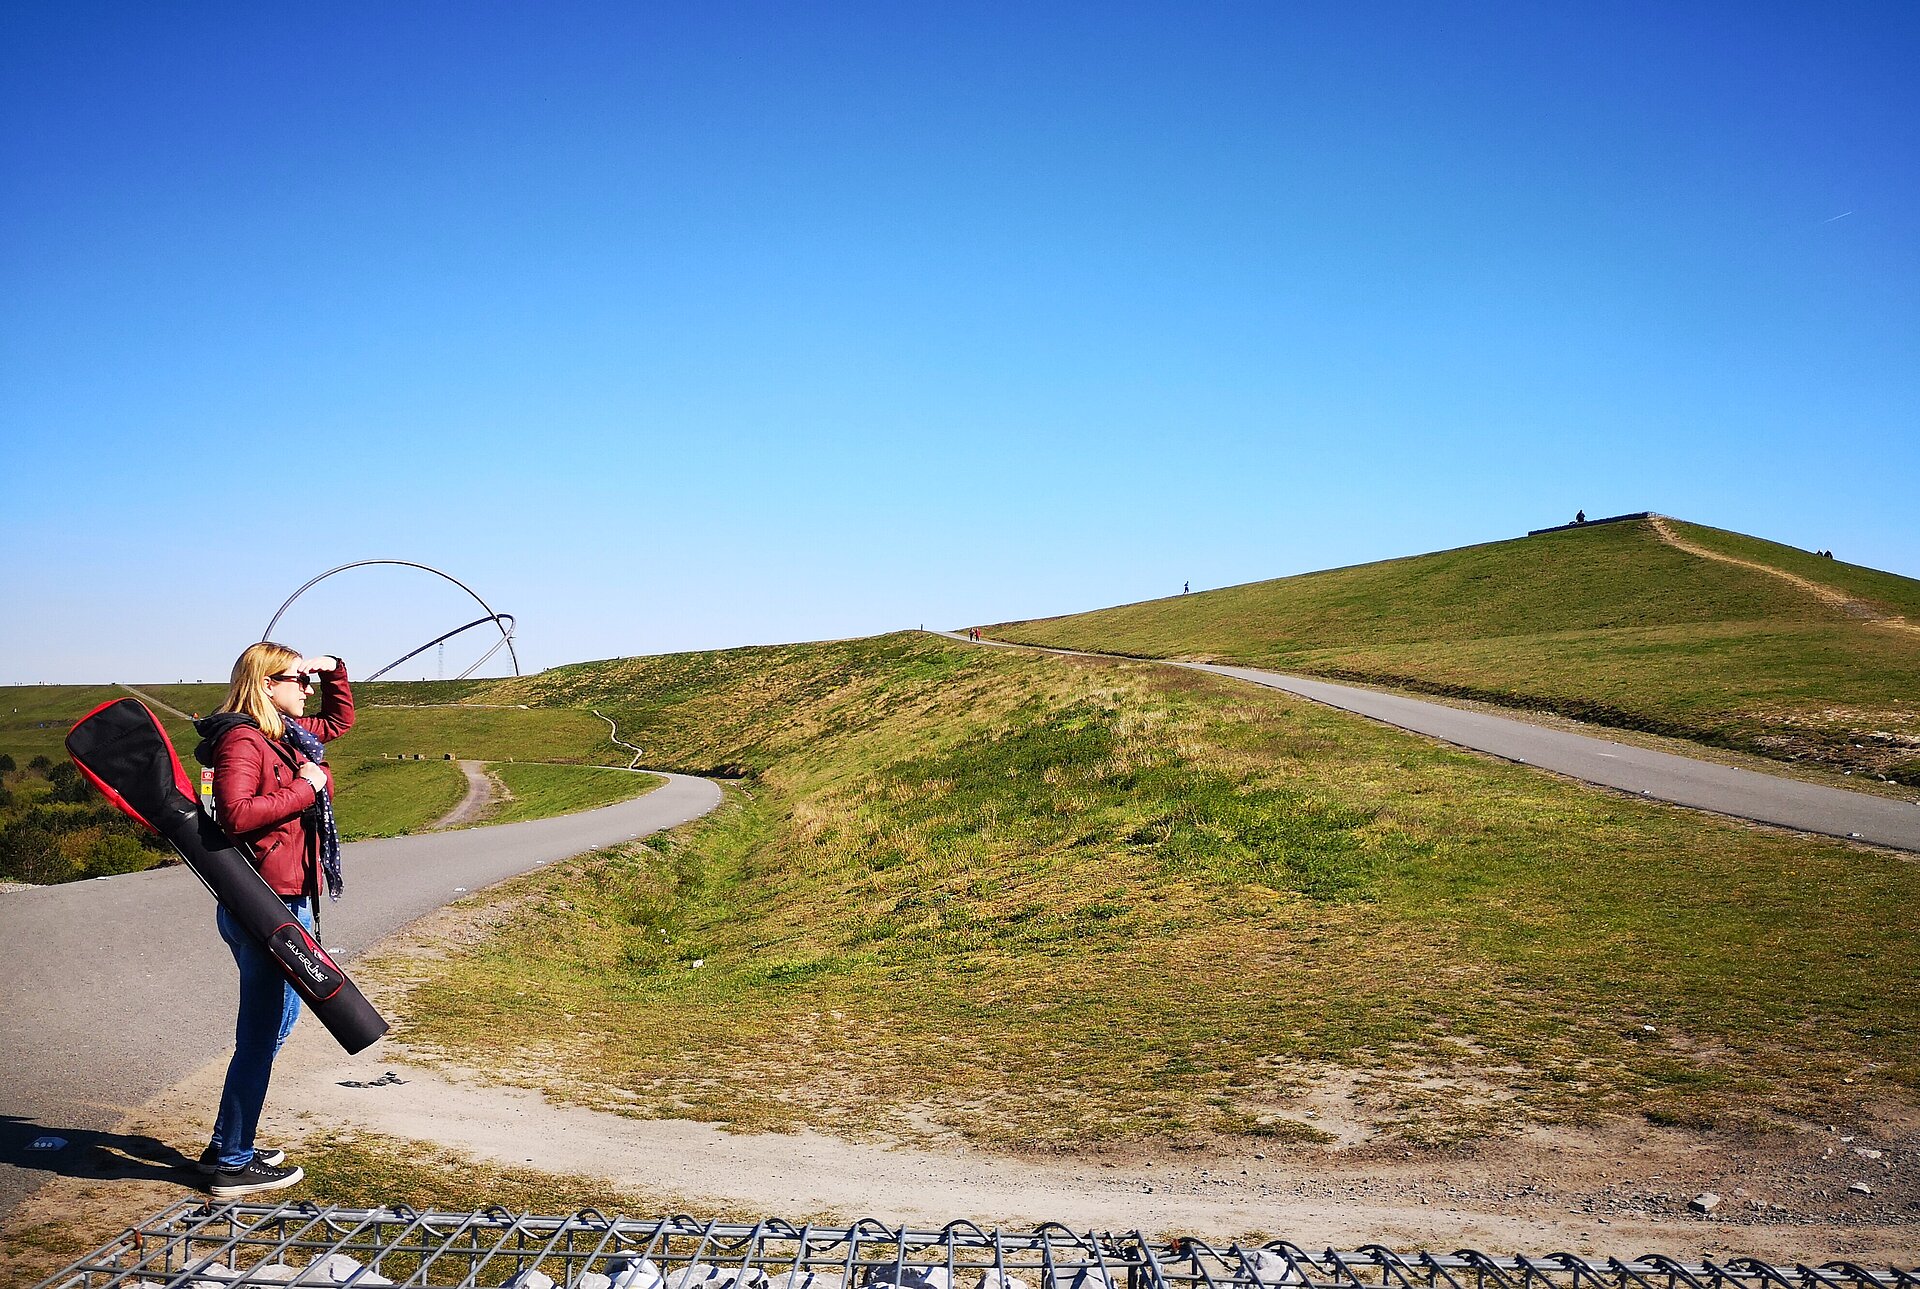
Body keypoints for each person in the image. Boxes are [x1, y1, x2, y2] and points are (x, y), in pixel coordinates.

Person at [191, 642, 353, 1198]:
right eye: (297, 680)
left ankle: (229, 1140)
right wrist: (304, 787)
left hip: (286, 897)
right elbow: (235, 815)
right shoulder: (242, 740)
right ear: (265, 683)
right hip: (269, 903)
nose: (304, 689)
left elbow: (337, 720)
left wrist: (332, 670)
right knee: (262, 1032)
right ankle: (232, 1160)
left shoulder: (281, 734)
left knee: (276, 1023)